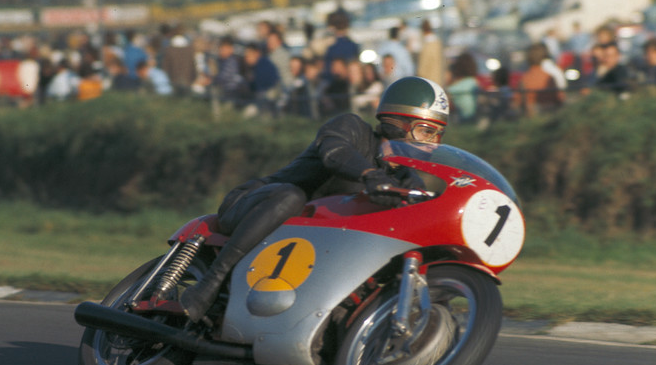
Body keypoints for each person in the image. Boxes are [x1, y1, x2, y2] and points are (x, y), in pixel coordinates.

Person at [149, 76, 451, 327]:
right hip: (256, 204)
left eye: (438, 135)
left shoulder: (408, 180)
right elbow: (334, 154)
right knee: (291, 195)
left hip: (311, 246)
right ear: (396, 123)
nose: (432, 143)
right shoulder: (351, 128)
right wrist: (370, 174)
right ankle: (210, 284)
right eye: (426, 131)